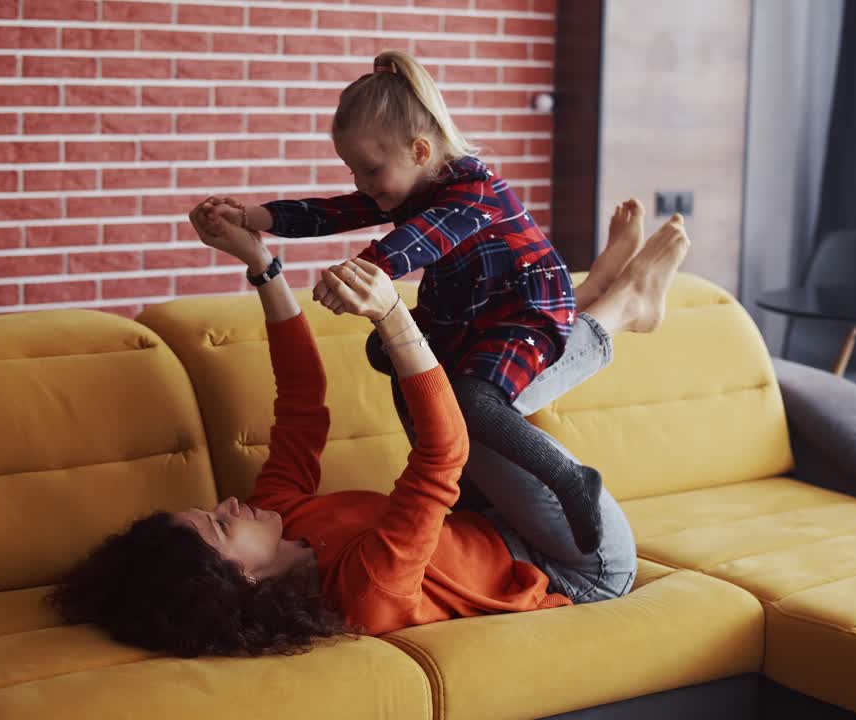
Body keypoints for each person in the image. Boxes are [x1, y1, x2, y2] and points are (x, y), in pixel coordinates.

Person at [49, 201, 690, 657]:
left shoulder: (278, 514)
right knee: (472, 406)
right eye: (220, 523)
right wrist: (392, 316)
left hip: (492, 519)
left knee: (471, 387)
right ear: (239, 578)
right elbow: (443, 456)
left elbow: (301, 402)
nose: (231, 502)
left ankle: (599, 302)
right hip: (576, 565)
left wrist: (262, 265)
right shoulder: (364, 593)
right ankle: (619, 307)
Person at [203, 49, 643, 554]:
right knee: (388, 352)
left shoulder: (474, 189)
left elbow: (423, 239)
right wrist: (254, 216)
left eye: (368, 170)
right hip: (465, 311)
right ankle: (462, 484)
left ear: (418, 150)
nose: (361, 185)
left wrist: (364, 270)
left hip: (522, 308)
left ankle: (570, 479)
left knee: (476, 403)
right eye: (353, 172)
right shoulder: (406, 183)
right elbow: (332, 212)